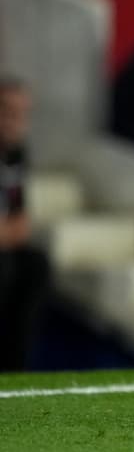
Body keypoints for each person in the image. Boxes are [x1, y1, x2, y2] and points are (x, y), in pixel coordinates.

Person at [0, 75, 52, 371]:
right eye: (8, 112)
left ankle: (15, 369)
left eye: (22, 114)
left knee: (36, 265)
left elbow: (21, 224)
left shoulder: (18, 154)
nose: (15, 122)